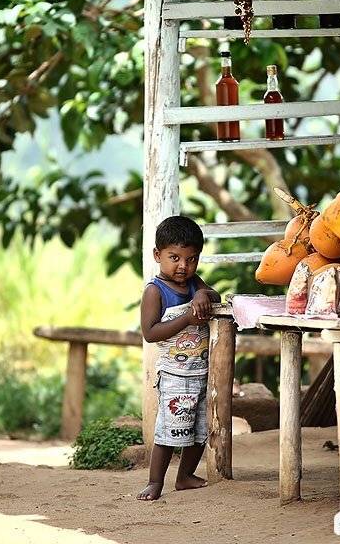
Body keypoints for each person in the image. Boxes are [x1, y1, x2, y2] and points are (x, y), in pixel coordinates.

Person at [137, 215, 221, 501]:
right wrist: (187, 316)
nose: (183, 266)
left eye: (191, 259)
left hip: (201, 371)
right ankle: (155, 482)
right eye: (174, 257)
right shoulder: (155, 291)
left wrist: (204, 295)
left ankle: (184, 476)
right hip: (174, 374)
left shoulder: (194, 284)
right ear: (157, 255)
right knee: (170, 428)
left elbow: (215, 294)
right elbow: (150, 332)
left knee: (199, 428)